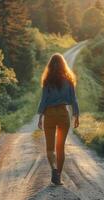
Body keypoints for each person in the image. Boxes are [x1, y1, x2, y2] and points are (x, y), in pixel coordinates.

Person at [37, 53, 80, 185]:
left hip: (49, 114)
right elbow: (74, 100)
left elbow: (43, 100)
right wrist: (76, 115)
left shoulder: (47, 81)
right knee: (60, 147)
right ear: (63, 65)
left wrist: (40, 117)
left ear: (50, 65)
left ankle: (54, 169)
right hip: (63, 114)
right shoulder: (69, 80)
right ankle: (59, 178)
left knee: (50, 148)